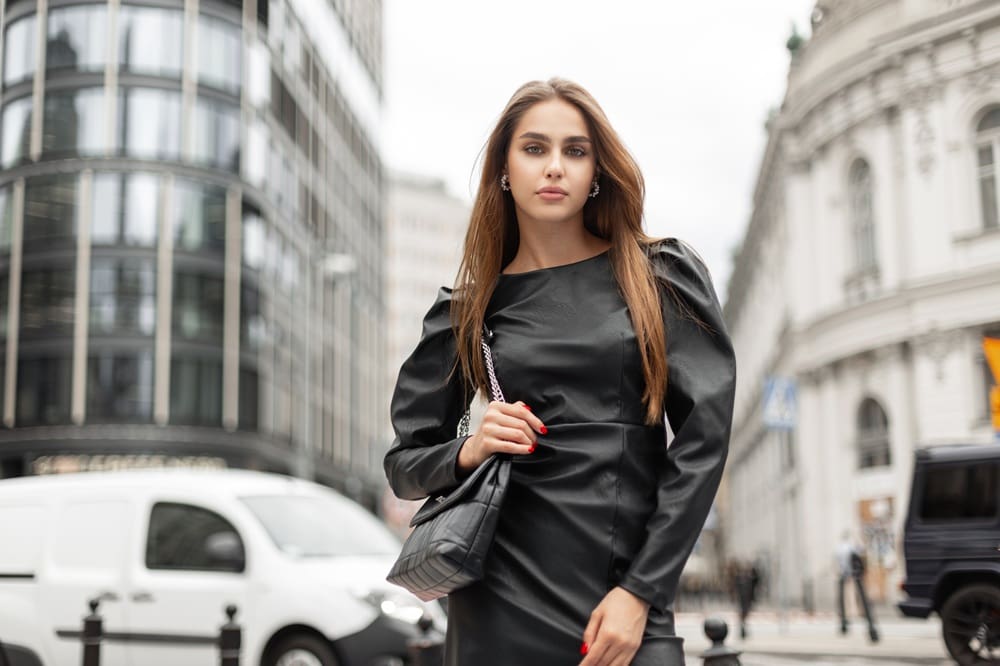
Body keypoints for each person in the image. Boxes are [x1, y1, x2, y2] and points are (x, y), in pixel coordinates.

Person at [384, 78, 737, 666]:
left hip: (622, 597)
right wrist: (467, 450)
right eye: (534, 149)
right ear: (504, 169)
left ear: (597, 170)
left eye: (574, 151)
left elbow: (703, 443)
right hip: (497, 602)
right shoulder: (467, 311)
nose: (554, 167)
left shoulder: (659, 278)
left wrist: (640, 591)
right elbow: (404, 466)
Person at [836, 531, 879, 643]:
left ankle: (844, 624)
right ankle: (871, 628)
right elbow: (861, 559)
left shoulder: (840, 548)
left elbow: (840, 563)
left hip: (846, 574)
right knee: (864, 602)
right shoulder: (852, 548)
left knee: (844, 600)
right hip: (856, 575)